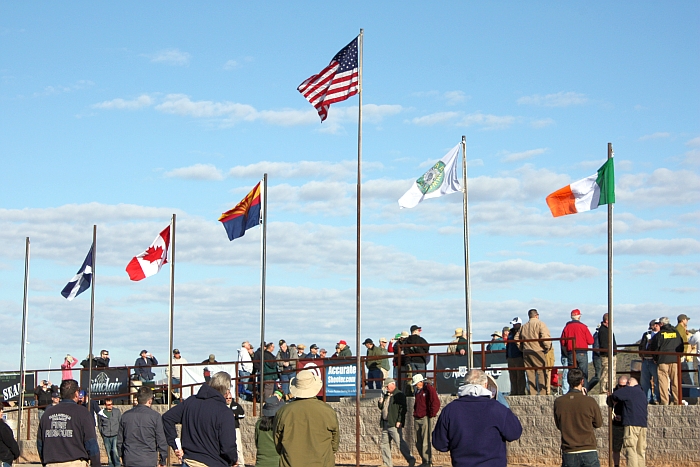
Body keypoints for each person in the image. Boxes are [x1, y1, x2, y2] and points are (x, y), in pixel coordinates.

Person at [432, 369, 522, 467]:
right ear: (486, 385)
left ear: (464, 384)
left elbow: (440, 444)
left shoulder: (450, 410)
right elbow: (514, 433)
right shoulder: (498, 408)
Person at [163, 372, 238, 467]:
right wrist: (234, 459)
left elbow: (167, 418)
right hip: (213, 462)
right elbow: (228, 447)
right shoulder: (224, 412)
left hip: (189, 462)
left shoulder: (190, 402)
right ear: (227, 390)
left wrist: (176, 446)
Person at [274, 370, 339, 467]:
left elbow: (277, 442)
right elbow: (334, 442)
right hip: (322, 462)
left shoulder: (283, 412)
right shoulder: (327, 411)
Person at [37, 379, 101, 467]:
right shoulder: (82, 412)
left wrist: (45, 462)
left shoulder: (47, 413)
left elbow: (40, 443)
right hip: (75, 463)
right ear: (76, 394)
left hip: (52, 463)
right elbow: (91, 443)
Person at [553, 368, 603, 467]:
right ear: (582, 381)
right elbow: (598, 423)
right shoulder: (590, 401)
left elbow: (559, 425)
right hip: (588, 449)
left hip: (569, 450)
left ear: (568, 381)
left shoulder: (559, 402)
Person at [119, 387, 167, 467]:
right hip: (148, 460)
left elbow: (119, 441)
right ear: (150, 400)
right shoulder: (155, 416)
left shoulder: (125, 416)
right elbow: (161, 440)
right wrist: (163, 459)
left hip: (130, 458)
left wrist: (123, 456)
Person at [609, 377, 648, 467]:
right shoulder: (642, 393)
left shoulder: (630, 390)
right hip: (643, 425)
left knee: (631, 450)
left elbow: (615, 395)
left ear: (629, 383)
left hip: (631, 425)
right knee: (640, 451)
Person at [377, 377, 416, 467]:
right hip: (385, 423)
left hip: (394, 423)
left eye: (387, 386)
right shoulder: (386, 395)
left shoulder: (399, 395)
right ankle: (387, 464)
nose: (386, 388)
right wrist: (380, 402)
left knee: (399, 442)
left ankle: (410, 459)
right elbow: (382, 407)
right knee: (384, 444)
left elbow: (403, 409)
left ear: (392, 385)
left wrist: (399, 421)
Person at [516, 309, 552, 395]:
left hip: (526, 351)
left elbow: (516, 338)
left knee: (530, 372)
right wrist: (547, 347)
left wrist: (522, 348)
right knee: (541, 372)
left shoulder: (524, 326)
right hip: (538, 350)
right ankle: (542, 392)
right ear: (537, 315)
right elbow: (545, 338)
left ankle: (532, 392)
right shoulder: (540, 324)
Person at [650, 316, 683, 405]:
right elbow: (681, 346)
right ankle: (677, 400)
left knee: (663, 381)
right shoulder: (676, 333)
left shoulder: (660, 334)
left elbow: (655, 348)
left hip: (662, 360)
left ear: (661, 324)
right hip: (675, 359)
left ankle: (664, 401)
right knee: (675, 381)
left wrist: (656, 359)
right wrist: (679, 356)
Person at [560, 308, 594, 393]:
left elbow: (563, 342)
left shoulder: (567, 328)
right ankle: (584, 391)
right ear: (579, 317)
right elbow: (591, 341)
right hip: (582, 352)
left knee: (572, 374)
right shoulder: (583, 327)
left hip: (571, 353)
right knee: (584, 373)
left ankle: (572, 391)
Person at [412, 374, 440, 467]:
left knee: (425, 441)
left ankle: (427, 462)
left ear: (421, 382)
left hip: (425, 418)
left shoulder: (428, 389)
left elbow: (435, 402)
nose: (416, 385)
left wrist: (431, 414)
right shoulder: (418, 391)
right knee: (418, 441)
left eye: (417, 383)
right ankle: (425, 461)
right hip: (417, 417)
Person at [255, 396, 284, 467]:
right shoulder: (280, 424)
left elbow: (257, 442)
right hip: (277, 462)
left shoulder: (259, 423)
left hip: (261, 462)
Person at [606, 376, 628, 467]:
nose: (622, 388)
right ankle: (616, 465)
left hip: (627, 422)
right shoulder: (614, 392)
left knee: (629, 447)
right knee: (615, 447)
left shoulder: (630, 393)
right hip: (616, 424)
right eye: (620, 386)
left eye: (624, 386)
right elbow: (609, 403)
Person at [638, 319, 661, 404]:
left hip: (654, 361)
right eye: (656, 324)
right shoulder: (646, 334)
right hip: (646, 360)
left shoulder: (660, 335)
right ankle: (647, 399)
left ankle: (656, 398)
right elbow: (641, 345)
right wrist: (642, 355)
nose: (657, 326)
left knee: (657, 381)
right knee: (644, 381)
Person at [98, 398, 122, 467]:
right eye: (108, 405)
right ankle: (110, 464)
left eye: (111, 404)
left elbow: (120, 422)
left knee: (115, 450)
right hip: (106, 435)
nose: (110, 406)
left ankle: (117, 464)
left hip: (115, 434)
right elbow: (100, 424)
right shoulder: (101, 413)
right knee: (108, 452)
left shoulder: (117, 411)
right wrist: (102, 433)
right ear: (105, 405)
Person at [225, 391, 246, 467]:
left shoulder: (235, 405)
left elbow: (242, 414)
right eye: (226, 398)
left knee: (238, 447)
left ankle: (241, 464)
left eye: (230, 398)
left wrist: (235, 415)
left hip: (235, 428)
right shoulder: (222, 405)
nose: (228, 399)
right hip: (225, 430)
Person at [506, 317, 526, 395]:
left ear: (519, 324)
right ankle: (514, 391)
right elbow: (508, 344)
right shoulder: (511, 333)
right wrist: (507, 355)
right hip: (511, 357)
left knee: (520, 375)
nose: (514, 326)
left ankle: (521, 392)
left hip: (519, 356)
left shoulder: (522, 332)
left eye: (515, 324)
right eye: (513, 324)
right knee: (512, 376)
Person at [598, 313, 617, 394]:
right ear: (607, 320)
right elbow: (604, 344)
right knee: (605, 373)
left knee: (611, 373)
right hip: (606, 356)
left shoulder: (608, 330)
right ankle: (604, 390)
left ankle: (611, 389)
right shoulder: (603, 331)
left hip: (611, 354)